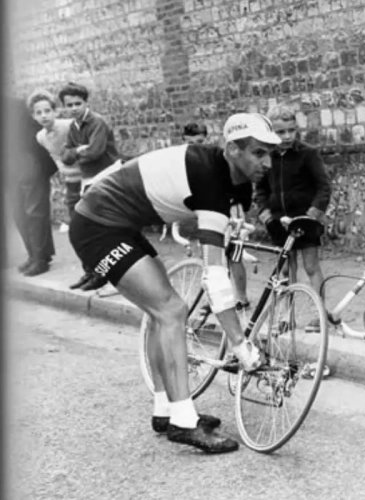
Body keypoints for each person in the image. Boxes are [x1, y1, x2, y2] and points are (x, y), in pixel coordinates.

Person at [68, 113, 282, 454]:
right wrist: (241, 347)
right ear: (232, 149)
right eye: (259, 153)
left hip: (119, 224)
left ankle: (165, 410)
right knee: (171, 310)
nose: (268, 163)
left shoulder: (235, 177)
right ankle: (184, 422)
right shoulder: (209, 177)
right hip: (98, 227)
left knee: (160, 313)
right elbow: (214, 277)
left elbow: (231, 232)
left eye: (271, 153)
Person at [256, 105, 332, 323]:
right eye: (281, 132)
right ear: (271, 132)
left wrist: (311, 216)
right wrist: (266, 214)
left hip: (304, 220)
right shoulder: (267, 155)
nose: (287, 136)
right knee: (287, 270)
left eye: (291, 130)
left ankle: (320, 315)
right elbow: (260, 189)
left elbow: (324, 187)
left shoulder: (307, 153)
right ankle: (288, 317)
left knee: (311, 266)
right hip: (279, 222)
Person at [59, 82, 122, 291]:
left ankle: (107, 274)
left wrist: (75, 152)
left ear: (86, 102)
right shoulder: (73, 127)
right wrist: (78, 150)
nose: (74, 108)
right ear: (64, 107)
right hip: (88, 180)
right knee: (82, 228)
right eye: (69, 105)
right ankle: (92, 271)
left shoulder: (97, 122)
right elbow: (66, 157)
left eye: (78, 103)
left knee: (103, 229)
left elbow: (95, 152)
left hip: (107, 177)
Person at [11, 96, 58, 276]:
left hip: (28, 163)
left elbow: (39, 133)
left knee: (35, 211)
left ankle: (40, 259)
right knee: (18, 212)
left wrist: (40, 166)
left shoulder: (16, 105)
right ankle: (34, 255)